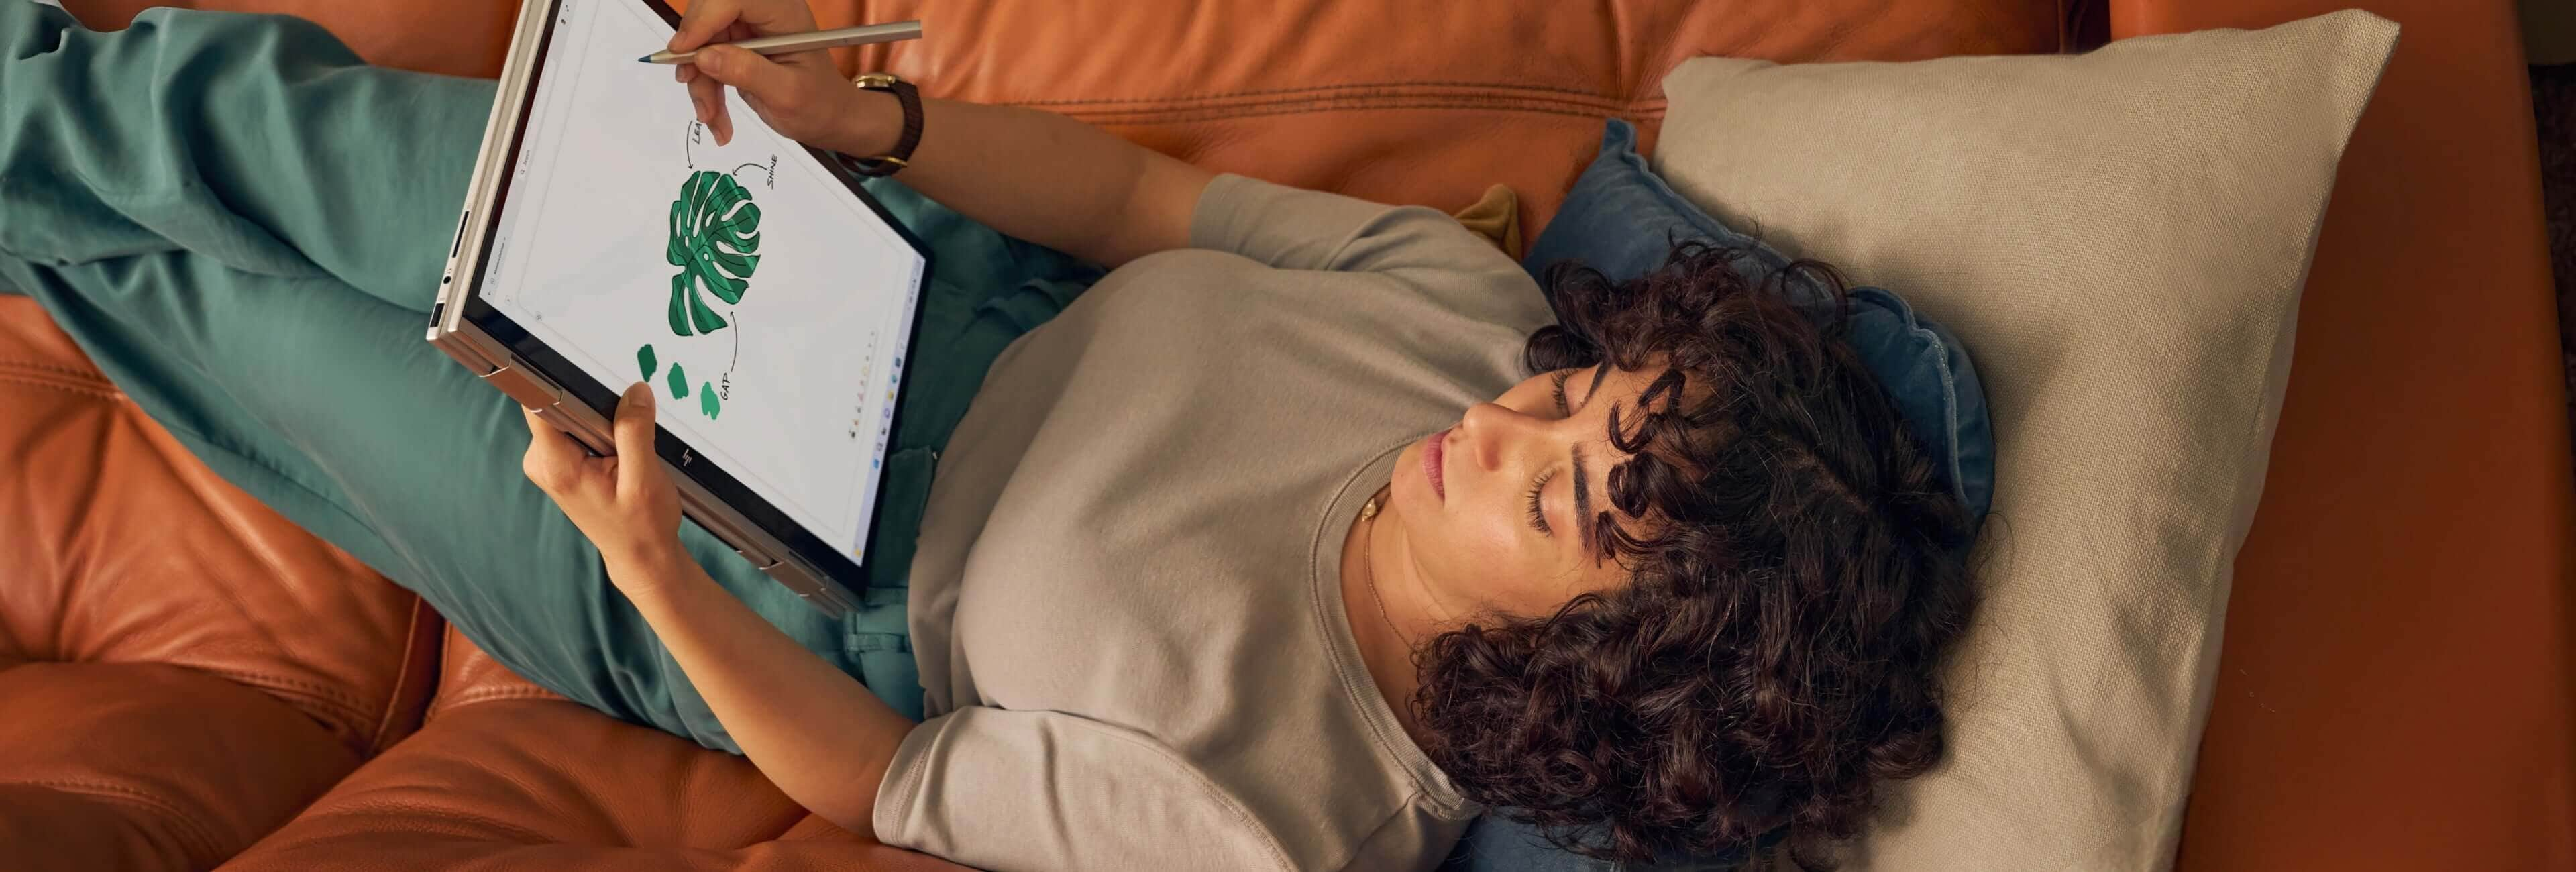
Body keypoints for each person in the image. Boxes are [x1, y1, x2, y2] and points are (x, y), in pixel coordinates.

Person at [0, 0, 1978, 867]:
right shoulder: (1466, 319)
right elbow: (1133, 214)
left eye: (1560, 494)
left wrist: (643, 569)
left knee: (213, 323)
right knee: (260, 128)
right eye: (1576, 396)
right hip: (895, 284)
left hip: (768, 579)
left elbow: (887, 775)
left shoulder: (1277, 823)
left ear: (1594, 663)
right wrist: (873, 134)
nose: (1510, 421)